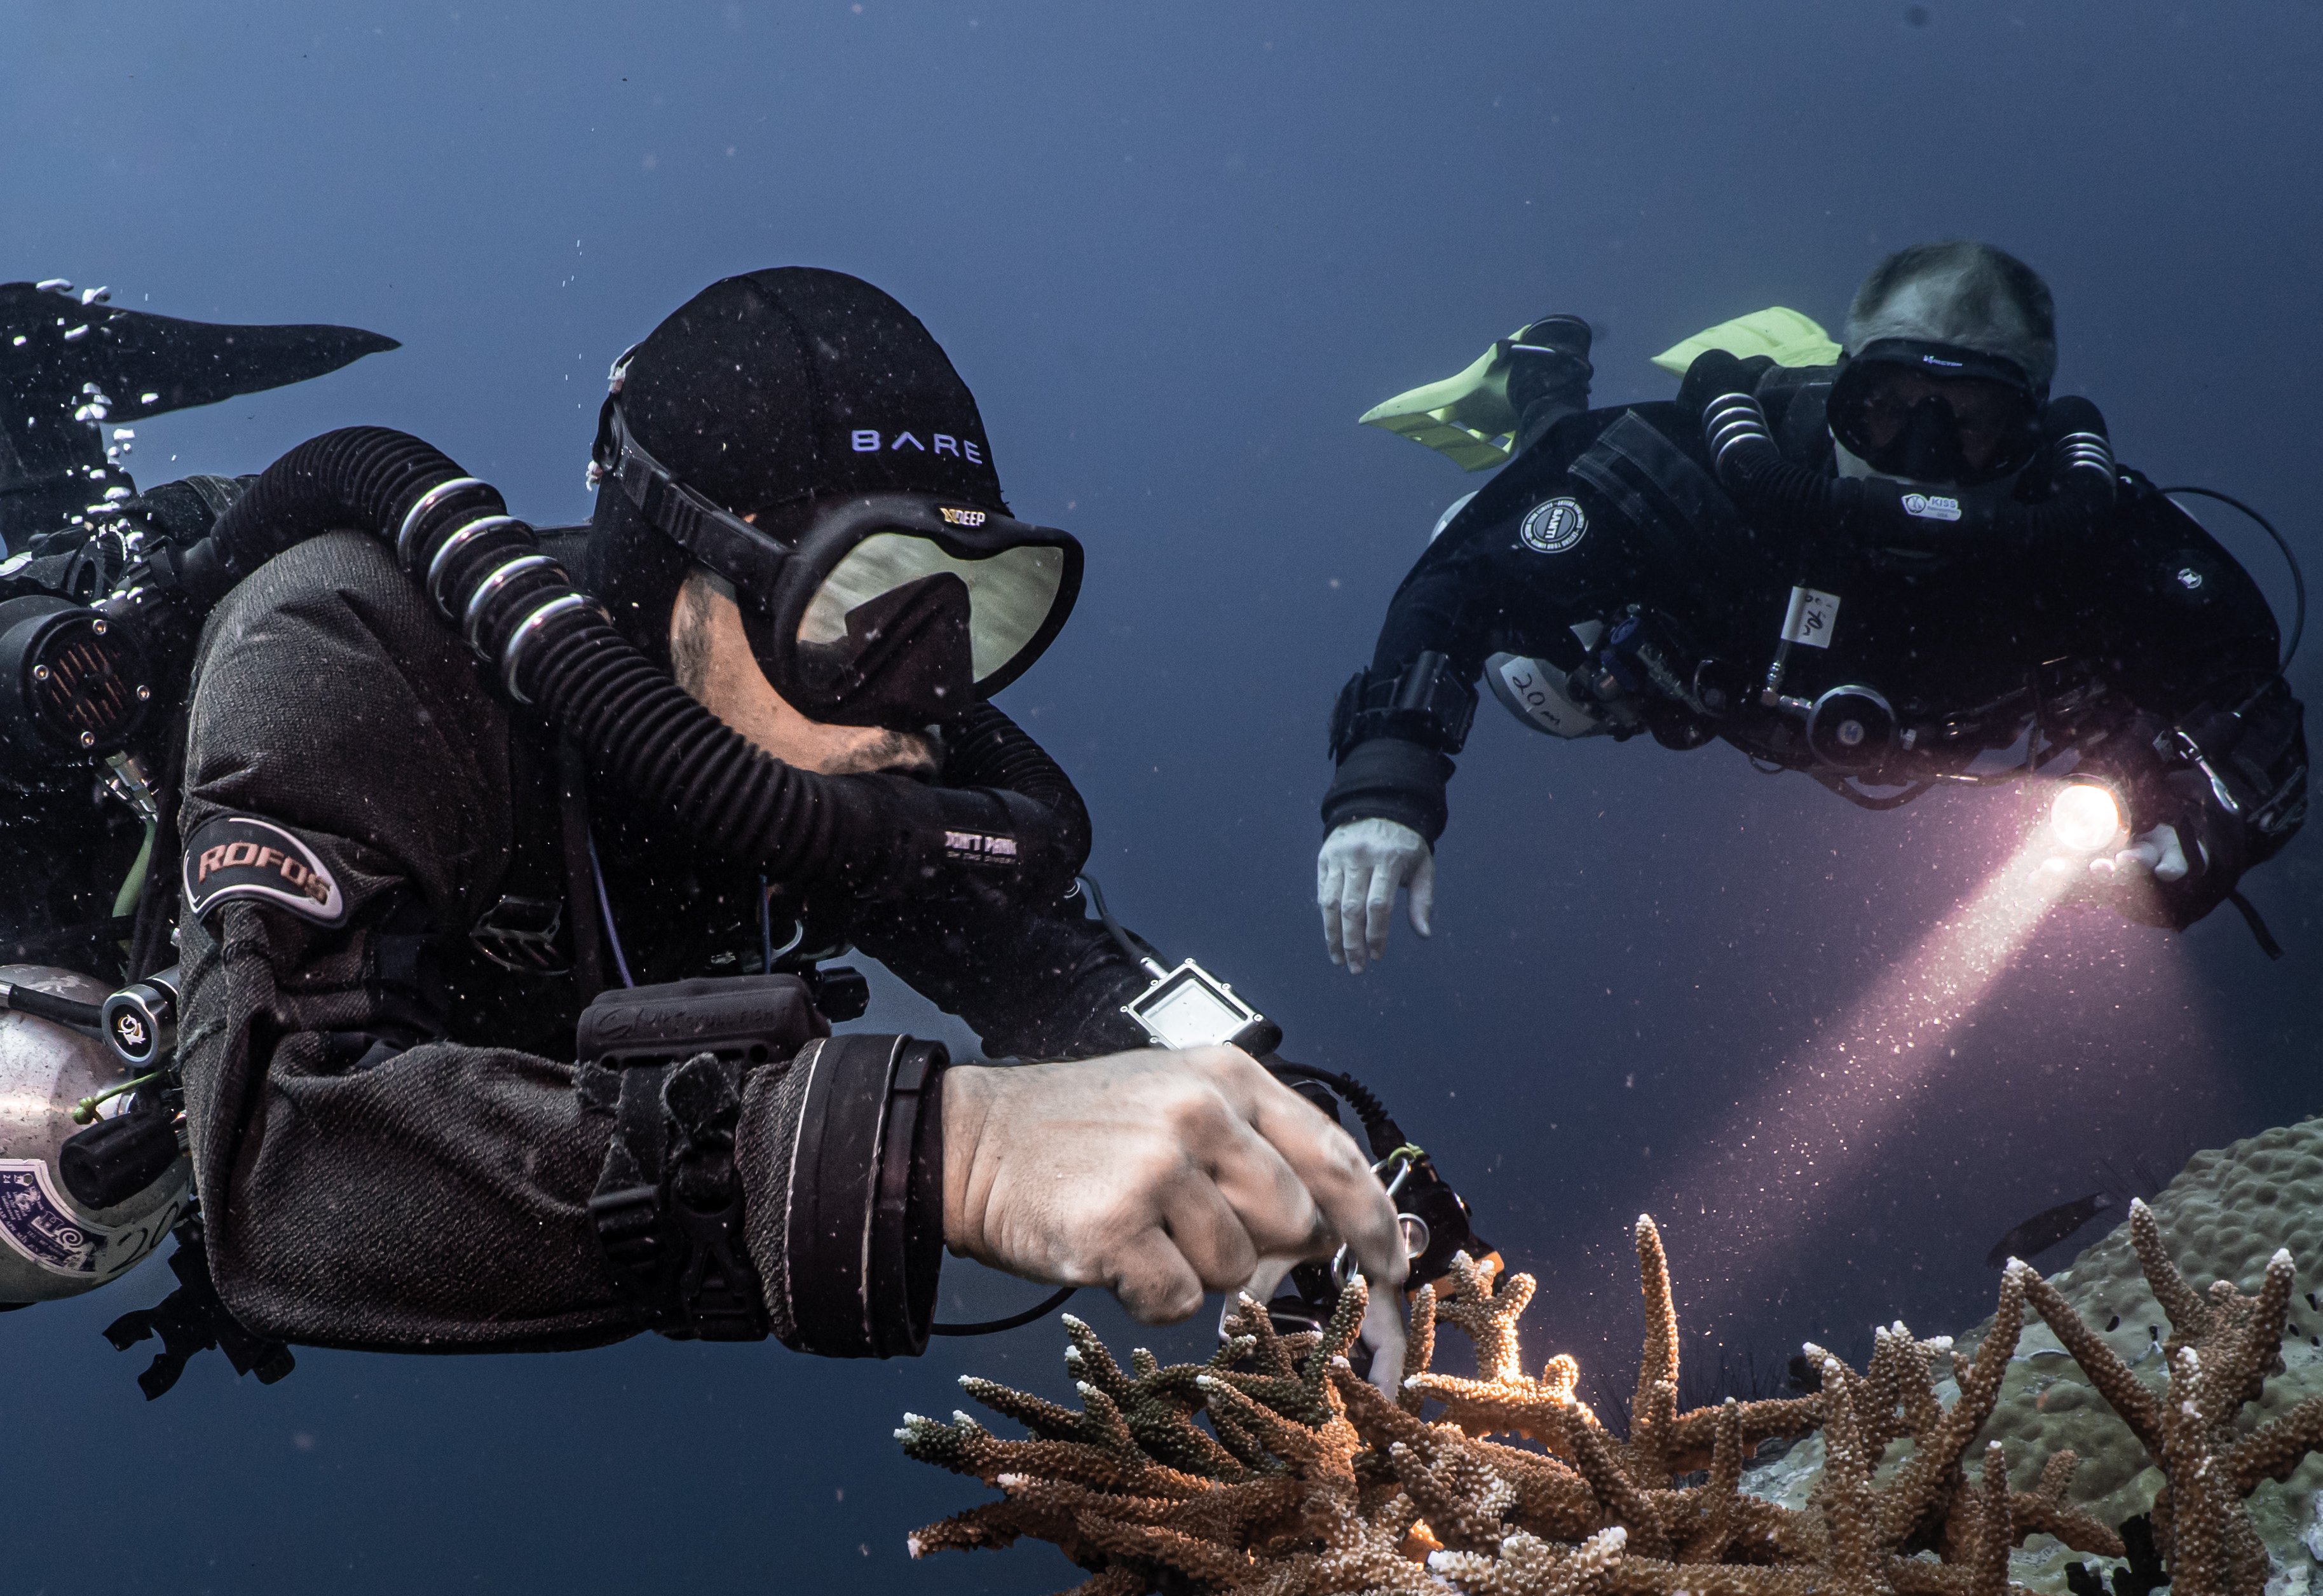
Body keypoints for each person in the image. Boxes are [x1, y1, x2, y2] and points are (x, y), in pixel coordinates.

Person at [170, 268, 1405, 1361]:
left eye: (968, 608)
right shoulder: (354, 645)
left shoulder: (831, 746)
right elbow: (284, 1174)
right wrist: (950, 1152)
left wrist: (1305, 1146)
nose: (924, 691)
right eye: (856, 602)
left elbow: (1044, 969)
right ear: (668, 578)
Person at [1316, 241, 2307, 971]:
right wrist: (1387, 786)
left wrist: (2209, 833)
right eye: (1889, 407)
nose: (1921, 458)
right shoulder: (1700, 473)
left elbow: (2240, 673)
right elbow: (1464, 579)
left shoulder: (2087, 529)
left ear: (2033, 426)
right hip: (1705, 673)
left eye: (1972, 422)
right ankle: (1541, 377)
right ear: (1841, 387)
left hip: (1886, 694)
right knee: (1540, 670)